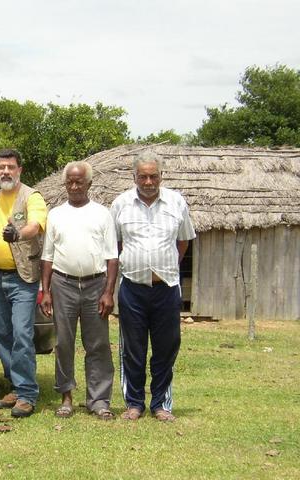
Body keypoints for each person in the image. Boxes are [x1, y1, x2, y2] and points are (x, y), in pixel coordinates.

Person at [110, 150, 195, 422]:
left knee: (166, 347)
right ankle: (134, 403)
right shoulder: (121, 203)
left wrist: (165, 265)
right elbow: (115, 244)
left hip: (167, 288)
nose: (148, 181)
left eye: (153, 176)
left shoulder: (176, 202)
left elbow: (183, 241)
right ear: (134, 176)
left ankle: (161, 404)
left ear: (161, 176)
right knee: (132, 349)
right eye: (143, 176)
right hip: (132, 288)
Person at [40, 161, 118, 420]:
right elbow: (47, 256)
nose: (74, 187)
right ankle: (66, 396)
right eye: (70, 182)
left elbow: (112, 257)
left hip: (96, 284)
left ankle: (98, 400)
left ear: (89, 184)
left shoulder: (102, 214)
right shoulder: (56, 215)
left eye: (79, 182)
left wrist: (109, 292)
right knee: (64, 343)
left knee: (97, 344)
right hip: (63, 284)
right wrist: (46, 291)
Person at [0, 148, 47, 418]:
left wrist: (18, 233)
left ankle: (27, 394)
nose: (6, 172)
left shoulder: (31, 196)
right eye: (1, 167)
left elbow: (35, 225)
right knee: (3, 333)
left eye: (11, 167)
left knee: (22, 334)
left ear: (20, 170)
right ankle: (15, 385)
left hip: (23, 277)